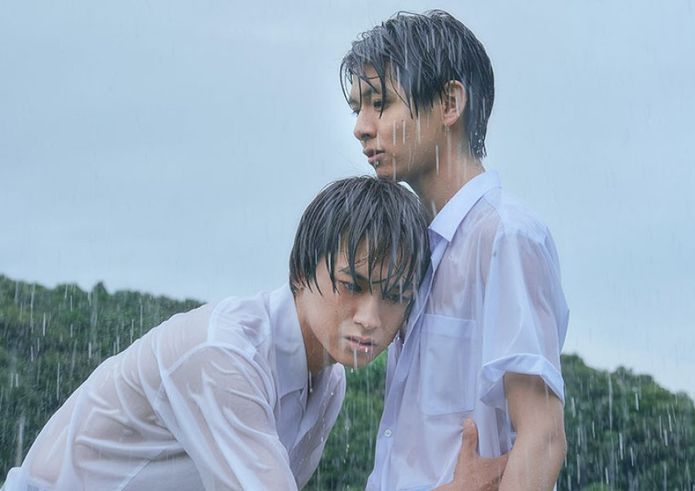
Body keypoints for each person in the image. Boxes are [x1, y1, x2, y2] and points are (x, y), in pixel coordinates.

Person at [2, 177, 430, 491]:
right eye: (352, 286)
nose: (371, 317)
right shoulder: (224, 354)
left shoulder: (329, 383)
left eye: (395, 295)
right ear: (302, 271)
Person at [341, 10, 569, 490]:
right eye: (357, 108)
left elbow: (543, 437)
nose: (361, 127)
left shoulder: (505, 237)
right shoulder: (410, 250)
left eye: (379, 103)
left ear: (449, 103)